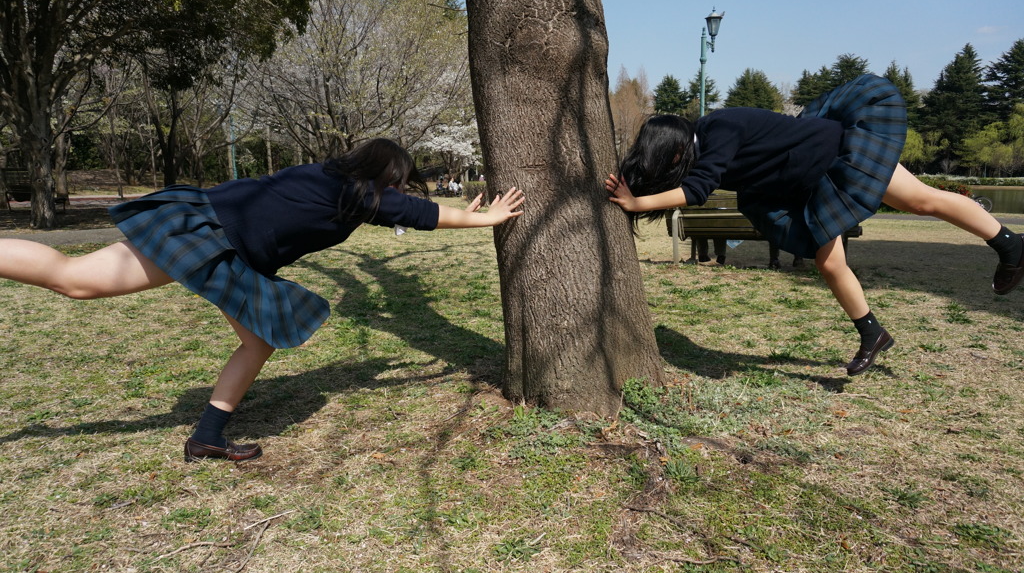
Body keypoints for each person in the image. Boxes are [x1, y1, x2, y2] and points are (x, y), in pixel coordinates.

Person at [0, 138, 525, 462]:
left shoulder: (326, 175)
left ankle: (206, 436)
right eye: (397, 182)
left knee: (257, 342)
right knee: (73, 280)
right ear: (386, 178)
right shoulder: (359, 197)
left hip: (214, 232)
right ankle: (206, 435)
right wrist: (488, 218)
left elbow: (417, 210)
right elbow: (429, 218)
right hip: (208, 238)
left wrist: (464, 210)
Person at [605, 74, 1023, 376]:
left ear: (675, 151)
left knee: (922, 200)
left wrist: (636, 201)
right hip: (812, 182)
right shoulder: (705, 144)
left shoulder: (718, 127)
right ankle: (872, 333)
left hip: (840, 152)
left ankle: (1010, 245)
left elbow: (697, 190)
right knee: (830, 264)